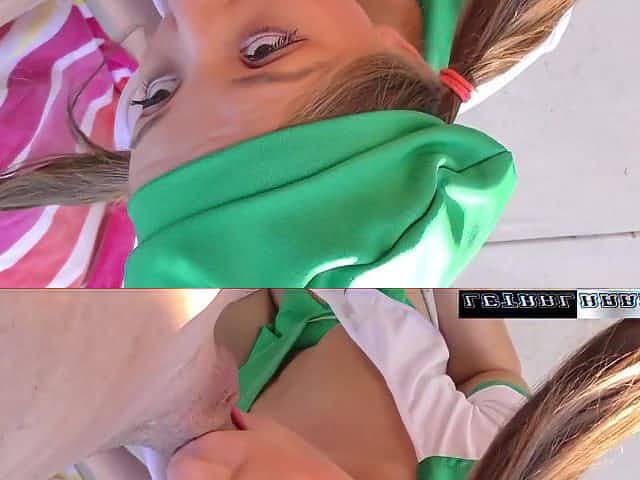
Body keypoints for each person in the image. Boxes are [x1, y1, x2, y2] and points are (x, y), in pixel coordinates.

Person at [0, 0, 575, 288]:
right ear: (399, 54)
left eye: (158, 94)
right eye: (264, 50)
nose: (191, 13)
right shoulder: (514, 19)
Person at [2, 289, 638, 480]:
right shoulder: (486, 455)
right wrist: (427, 237)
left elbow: (80, 418)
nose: (190, 473)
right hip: (361, 269)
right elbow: (482, 360)